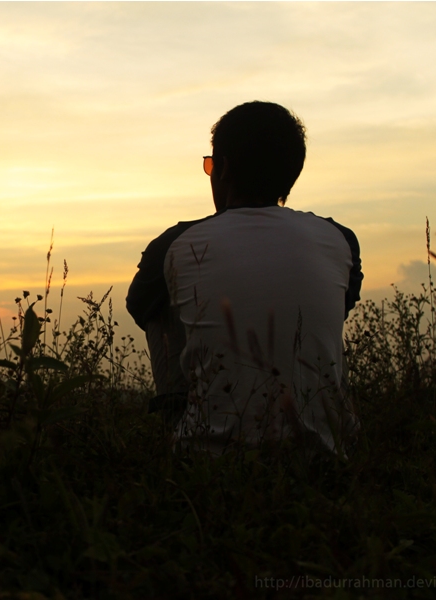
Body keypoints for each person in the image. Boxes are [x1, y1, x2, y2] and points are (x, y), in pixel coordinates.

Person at [126, 101, 362, 456]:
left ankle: (180, 423)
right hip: (324, 456)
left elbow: (140, 307)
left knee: (160, 306)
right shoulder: (338, 239)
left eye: (210, 166)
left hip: (206, 459)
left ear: (223, 167)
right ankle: (323, 417)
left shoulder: (177, 244)